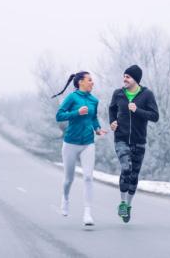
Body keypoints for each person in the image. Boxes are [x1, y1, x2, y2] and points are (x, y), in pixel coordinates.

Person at [53, 71, 107, 226]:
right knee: (68, 179)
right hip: (70, 143)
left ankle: (87, 213)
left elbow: (93, 117)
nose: (92, 83)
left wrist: (97, 129)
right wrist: (77, 112)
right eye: (90, 80)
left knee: (88, 177)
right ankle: (65, 198)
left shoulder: (94, 100)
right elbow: (59, 116)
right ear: (80, 82)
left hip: (88, 143)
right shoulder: (72, 97)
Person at [109, 65, 159, 223]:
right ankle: (122, 203)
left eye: (128, 77)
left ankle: (128, 206)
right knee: (126, 168)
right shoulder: (118, 94)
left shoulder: (147, 95)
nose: (124, 79)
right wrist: (113, 122)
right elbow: (111, 109)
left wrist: (137, 110)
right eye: (124, 76)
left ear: (136, 80)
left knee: (134, 176)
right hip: (121, 139)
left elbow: (155, 116)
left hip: (139, 141)